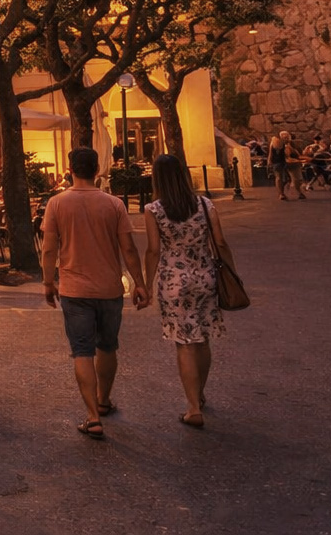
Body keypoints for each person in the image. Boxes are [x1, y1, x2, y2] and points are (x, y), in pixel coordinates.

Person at [40, 146, 148, 440]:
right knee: (108, 346)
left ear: (70, 169)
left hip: (74, 289)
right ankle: (104, 398)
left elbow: (49, 248)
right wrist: (140, 283)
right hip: (109, 287)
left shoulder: (57, 204)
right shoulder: (114, 205)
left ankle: (92, 416)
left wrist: (48, 282)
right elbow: (128, 249)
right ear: (98, 170)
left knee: (82, 351)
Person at [142, 154, 230, 428]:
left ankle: (192, 407)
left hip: (173, 281)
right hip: (205, 276)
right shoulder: (205, 205)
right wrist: (232, 274)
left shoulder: (153, 209)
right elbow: (220, 243)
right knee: (203, 338)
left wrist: (146, 284)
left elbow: (154, 250)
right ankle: (200, 394)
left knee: (184, 342)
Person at [269, 131, 304, 200]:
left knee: (297, 179)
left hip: (292, 163)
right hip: (279, 162)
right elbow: (271, 153)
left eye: (287, 136)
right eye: (284, 137)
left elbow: (297, 154)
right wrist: (270, 161)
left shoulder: (292, 144)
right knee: (280, 178)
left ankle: (299, 192)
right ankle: (281, 194)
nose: (286, 138)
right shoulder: (276, 143)